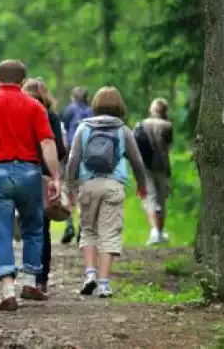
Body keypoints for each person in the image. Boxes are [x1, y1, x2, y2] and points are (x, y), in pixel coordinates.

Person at [0, 59, 61, 311]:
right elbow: (48, 143)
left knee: (1, 230)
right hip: (29, 171)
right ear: (23, 81)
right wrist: (55, 177)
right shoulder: (34, 106)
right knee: (34, 227)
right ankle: (30, 281)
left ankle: (8, 292)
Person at [65, 86, 146, 298]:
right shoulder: (123, 130)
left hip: (88, 184)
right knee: (109, 233)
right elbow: (137, 161)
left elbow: (73, 158)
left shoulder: (84, 128)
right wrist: (142, 184)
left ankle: (90, 273)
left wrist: (70, 186)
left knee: (89, 230)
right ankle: (104, 283)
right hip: (113, 185)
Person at [22, 78, 67, 296]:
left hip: (20, 171)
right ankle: (41, 280)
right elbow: (59, 149)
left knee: (26, 227)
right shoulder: (51, 117)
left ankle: (25, 275)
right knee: (42, 230)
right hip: (44, 177)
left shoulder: (18, 114)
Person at [136, 98, 173, 245]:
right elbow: (168, 146)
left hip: (145, 165)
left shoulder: (142, 124)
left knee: (150, 197)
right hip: (162, 165)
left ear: (152, 110)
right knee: (161, 198)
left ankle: (154, 231)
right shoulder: (168, 126)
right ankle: (161, 232)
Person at [60, 87, 92, 244]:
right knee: (82, 191)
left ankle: (69, 225)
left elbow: (62, 132)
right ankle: (82, 226)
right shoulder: (92, 111)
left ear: (73, 97)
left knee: (67, 190)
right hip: (87, 156)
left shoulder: (67, 111)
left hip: (69, 154)